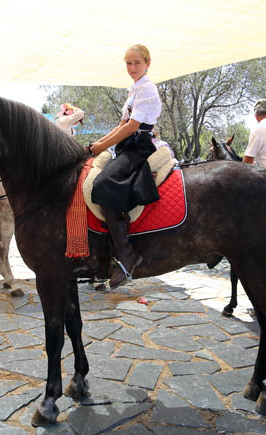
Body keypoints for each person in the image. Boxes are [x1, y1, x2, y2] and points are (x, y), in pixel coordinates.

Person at [89, 44, 161, 289]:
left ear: (147, 63)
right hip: (125, 146)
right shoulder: (133, 90)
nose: (132, 68)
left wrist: (103, 146)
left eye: (136, 63)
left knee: (103, 184)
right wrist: (97, 144)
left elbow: (132, 127)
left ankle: (126, 254)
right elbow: (121, 124)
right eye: (128, 63)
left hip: (139, 146)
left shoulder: (148, 89)